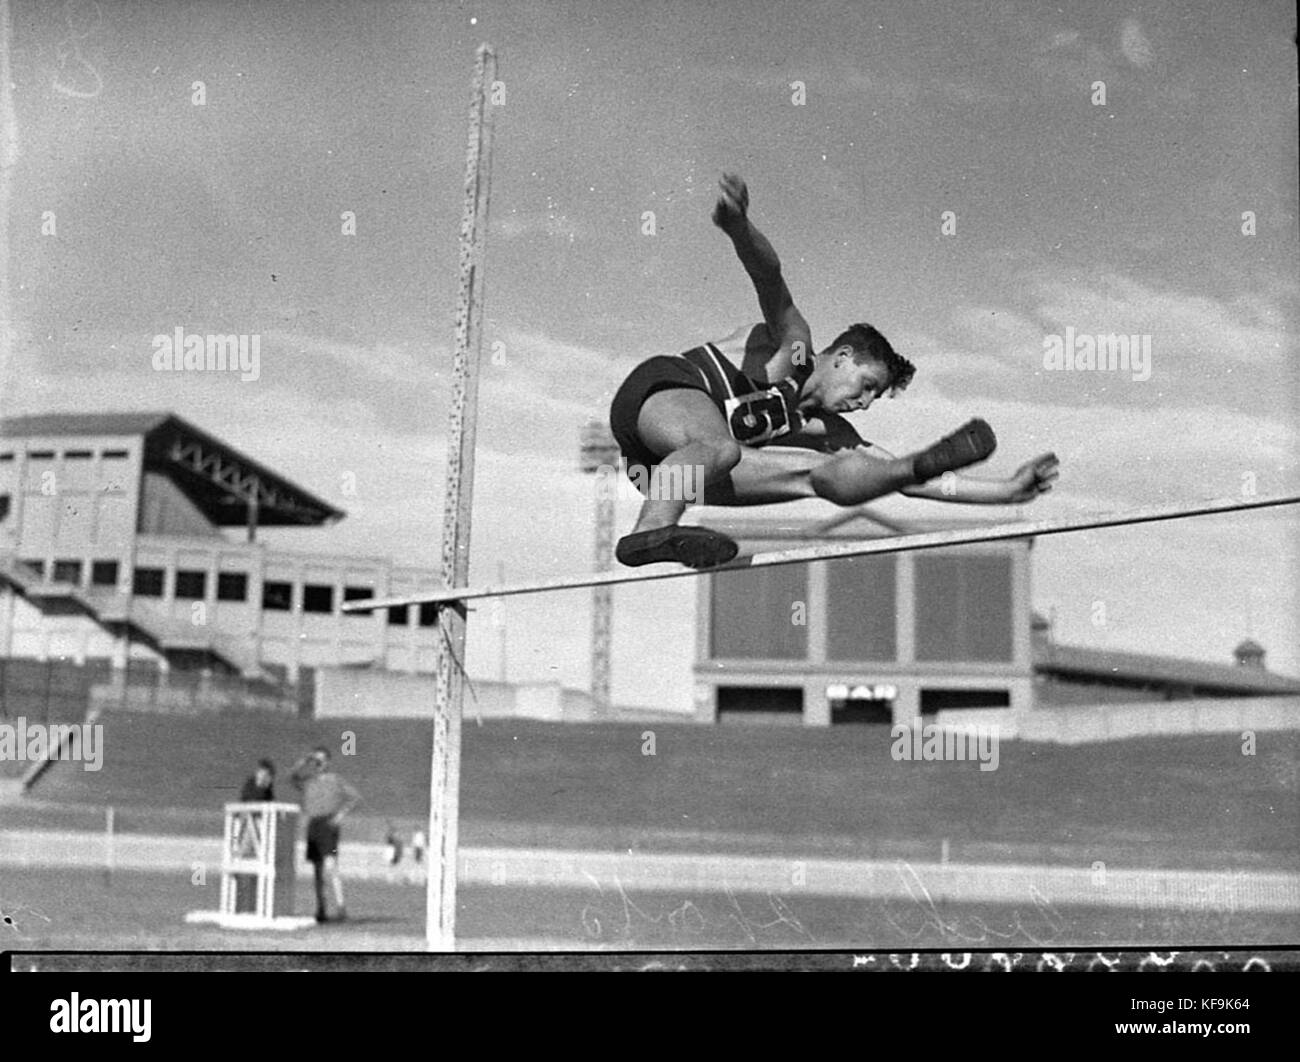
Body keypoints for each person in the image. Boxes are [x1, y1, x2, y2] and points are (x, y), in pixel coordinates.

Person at [610, 173, 1060, 569]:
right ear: (842, 356)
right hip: (656, 400)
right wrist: (739, 227)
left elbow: (911, 483)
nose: (863, 404)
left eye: (872, 399)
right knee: (720, 448)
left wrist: (1007, 491)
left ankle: (659, 528)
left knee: (823, 477)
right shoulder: (795, 349)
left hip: (654, 474)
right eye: (866, 387)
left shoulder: (824, 427)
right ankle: (650, 531)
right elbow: (771, 279)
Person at [290, 746, 362, 924]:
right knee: (317, 870)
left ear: (328, 762)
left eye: (322, 760)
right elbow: (291, 778)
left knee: (331, 866)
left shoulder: (335, 780)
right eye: (316, 760)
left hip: (329, 825)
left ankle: (341, 907)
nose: (318, 763)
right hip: (314, 825)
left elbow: (355, 797)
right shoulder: (309, 781)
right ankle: (321, 908)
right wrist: (303, 761)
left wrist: (340, 814)